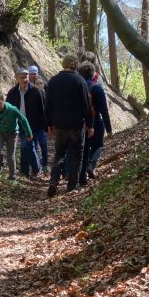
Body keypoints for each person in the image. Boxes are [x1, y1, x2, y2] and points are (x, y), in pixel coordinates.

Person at [45, 54, 93, 197]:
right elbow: (86, 105)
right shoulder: (80, 81)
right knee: (77, 155)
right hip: (77, 126)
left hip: (59, 125)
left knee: (59, 153)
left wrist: (48, 124)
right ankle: (72, 185)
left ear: (63, 64)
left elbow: (47, 105)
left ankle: (53, 181)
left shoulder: (53, 81)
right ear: (75, 65)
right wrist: (90, 125)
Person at [6, 68, 47, 178]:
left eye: (26, 77)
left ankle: (36, 168)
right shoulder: (12, 93)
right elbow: (7, 109)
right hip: (19, 124)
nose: (25, 79)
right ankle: (26, 171)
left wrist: (46, 125)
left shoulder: (37, 91)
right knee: (27, 146)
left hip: (34, 124)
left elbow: (44, 109)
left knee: (26, 145)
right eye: (22, 77)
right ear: (17, 78)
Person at [76, 62, 113, 184]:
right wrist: (109, 129)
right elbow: (104, 110)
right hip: (96, 122)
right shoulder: (97, 89)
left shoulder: (77, 87)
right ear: (93, 74)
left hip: (80, 124)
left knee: (83, 150)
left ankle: (81, 180)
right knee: (98, 145)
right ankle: (91, 165)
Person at [0, 90, 33, 182]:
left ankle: (12, 177)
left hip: (12, 133)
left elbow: (23, 120)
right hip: (0, 133)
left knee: (10, 155)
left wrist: (29, 133)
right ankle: (1, 163)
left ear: (3, 101)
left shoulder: (12, 109)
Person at [26, 64, 49, 170]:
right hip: (32, 124)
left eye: (41, 83)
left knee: (44, 145)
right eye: (37, 84)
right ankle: (36, 166)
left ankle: (45, 165)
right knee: (33, 146)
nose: (40, 85)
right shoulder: (30, 92)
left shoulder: (46, 95)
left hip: (42, 125)